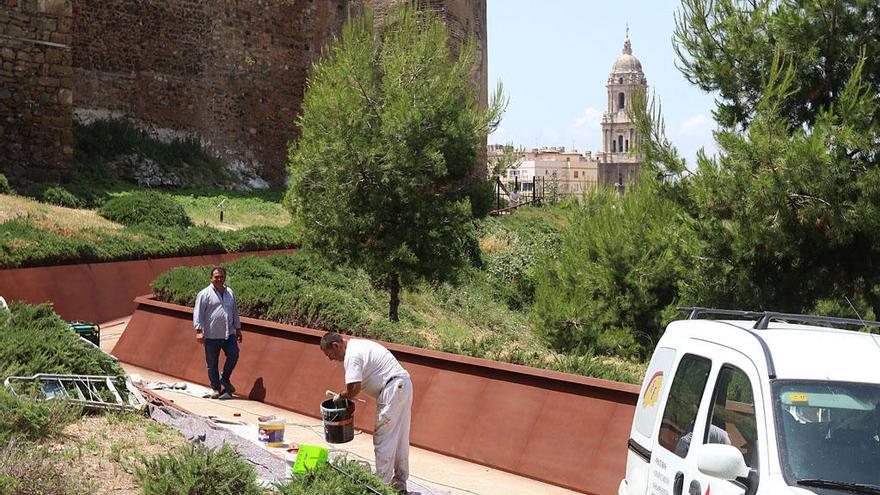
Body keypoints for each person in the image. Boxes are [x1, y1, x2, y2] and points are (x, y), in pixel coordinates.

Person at [320, 332, 413, 494]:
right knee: (399, 438)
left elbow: (353, 389)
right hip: (403, 385)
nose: (331, 359)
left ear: (336, 345)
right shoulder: (358, 345)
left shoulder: (352, 356)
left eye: (330, 355)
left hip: (392, 390)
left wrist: (340, 397)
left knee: (383, 438)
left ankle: (380, 487)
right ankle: (399, 483)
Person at [193, 266, 242, 399]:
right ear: (211, 278)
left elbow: (235, 311)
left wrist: (238, 329)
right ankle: (215, 388)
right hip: (211, 335)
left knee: (234, 355)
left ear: (225, 278)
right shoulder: (204, 294)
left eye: (221, 277)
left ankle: (224, 378)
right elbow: (198, 313)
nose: (219, 279)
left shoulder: (230, 293)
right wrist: (199, 330)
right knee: (212, 364)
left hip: (228, 334)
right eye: (216, 277)